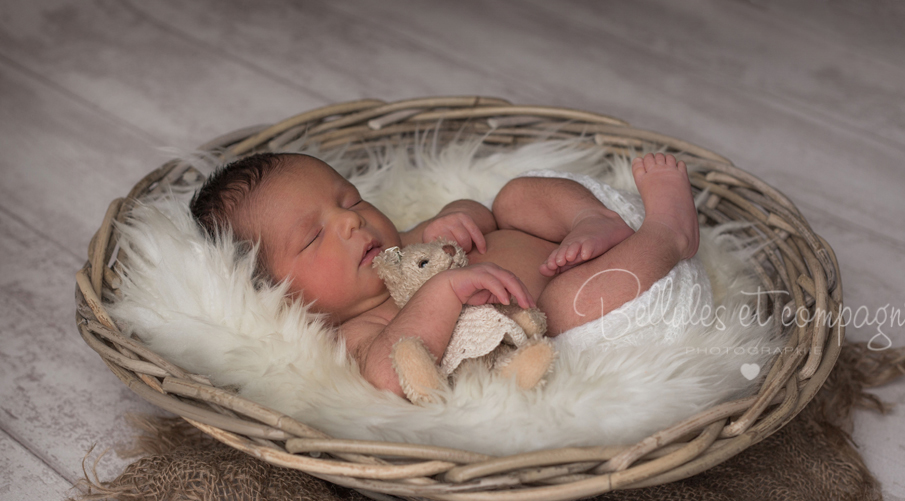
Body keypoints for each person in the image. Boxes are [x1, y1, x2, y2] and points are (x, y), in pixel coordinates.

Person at [190, 151, 699, 398]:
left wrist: (454, 218)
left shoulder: (403, 244)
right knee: (564, 304)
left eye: (350, 200)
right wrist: (441, 292)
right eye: (312, 237)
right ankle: (669, 232)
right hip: (626, 299)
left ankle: (594, 218)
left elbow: (480, 217)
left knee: (513, 196)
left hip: (585, 238)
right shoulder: (356, 331)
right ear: (281, 295)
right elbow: (390, 375)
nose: (350, 220)